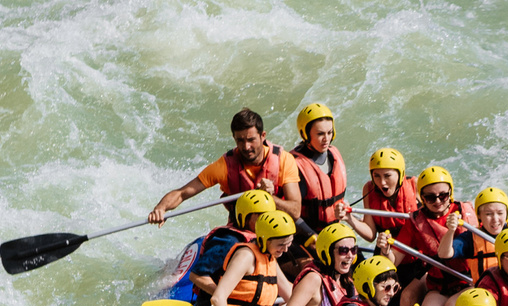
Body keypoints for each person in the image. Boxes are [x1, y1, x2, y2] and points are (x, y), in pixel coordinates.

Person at [146, 108, 297, 224]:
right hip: (241, 230)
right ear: (234, 138)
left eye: (251, 140)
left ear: (263, 136)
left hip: (277, 230)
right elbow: (182, 193)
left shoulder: (284, 160)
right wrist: (161, 208)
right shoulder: (224, 166)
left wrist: (270, 197)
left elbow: (295, 211)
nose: (246, 147)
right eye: (240, 141)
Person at [210, 208, 297, 306]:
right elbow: (217, 297)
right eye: (281, 245)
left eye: (289, 244)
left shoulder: (270, 257)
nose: (285, 250)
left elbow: (293, 296)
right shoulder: (246, 256)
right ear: (265, 240)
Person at [387, 166, 471, 306]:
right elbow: (393, 261)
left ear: (450, 193)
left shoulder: (464, 212)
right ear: (423, 199)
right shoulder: (415, 222)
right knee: (412, 300)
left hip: (467, 280)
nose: (437, 201)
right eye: (430, 197)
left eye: (443, 196)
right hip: (437, 283)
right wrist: (385, 250)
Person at [183, 189, 279, 304]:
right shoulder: (228, 240)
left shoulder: (264, 241)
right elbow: (197, 275)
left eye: (269, 216)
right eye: (260, 216)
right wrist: (224, 297)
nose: (265, 221)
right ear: (244, 217)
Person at [287, 102, 351, 236]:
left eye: (329, 132)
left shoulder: (334, 154)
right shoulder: (294, 164)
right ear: (305, 134)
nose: (326, 139)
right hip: (306, 236)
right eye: (320, 134)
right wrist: (312, 237)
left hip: (334, 232)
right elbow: (291, 212)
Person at [355, 147, 413, 241]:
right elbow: (371, 236)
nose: (382, 182)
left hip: (416, 249)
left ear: (400, 174)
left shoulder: (415, 186)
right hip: (386, 247)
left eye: (387, 176)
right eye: (376, 176)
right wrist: (348, 218)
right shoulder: (368, 189)